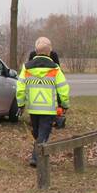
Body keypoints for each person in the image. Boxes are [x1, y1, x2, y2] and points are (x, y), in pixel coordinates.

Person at [17, 36, 70, 167]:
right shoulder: (55, 69)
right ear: (50, 52)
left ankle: (37, 155)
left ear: (36, 50)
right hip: (49, 109)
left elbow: (20, 88)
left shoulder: (27, 67)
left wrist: (21, 104)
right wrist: (64, 104)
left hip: (33, 108)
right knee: (42, 134)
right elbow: (63, 88)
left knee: (38, 133)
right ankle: (36, 158)